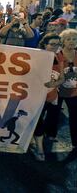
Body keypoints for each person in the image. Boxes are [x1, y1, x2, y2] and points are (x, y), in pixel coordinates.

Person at [32, 33, 64, 161]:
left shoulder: (59, 55)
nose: (55, 47)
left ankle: (35, 142)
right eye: (52, 44)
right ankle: (39, 148)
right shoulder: (36, 56)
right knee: (37, 119)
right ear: (44, 44)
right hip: (35, 96)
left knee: (38, 119)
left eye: (57, 44)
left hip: (50, 95)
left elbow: (62, 78)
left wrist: (54, 83)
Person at [57, 29, 77, 161]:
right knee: (53, 114)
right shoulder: (57, 55)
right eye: (69, 39)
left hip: (74, 92)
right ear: (63, 41)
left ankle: (75, 143)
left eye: (74, 39)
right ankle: (50, 136)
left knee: (75, 118)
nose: (72, 42)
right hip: (58, 91)